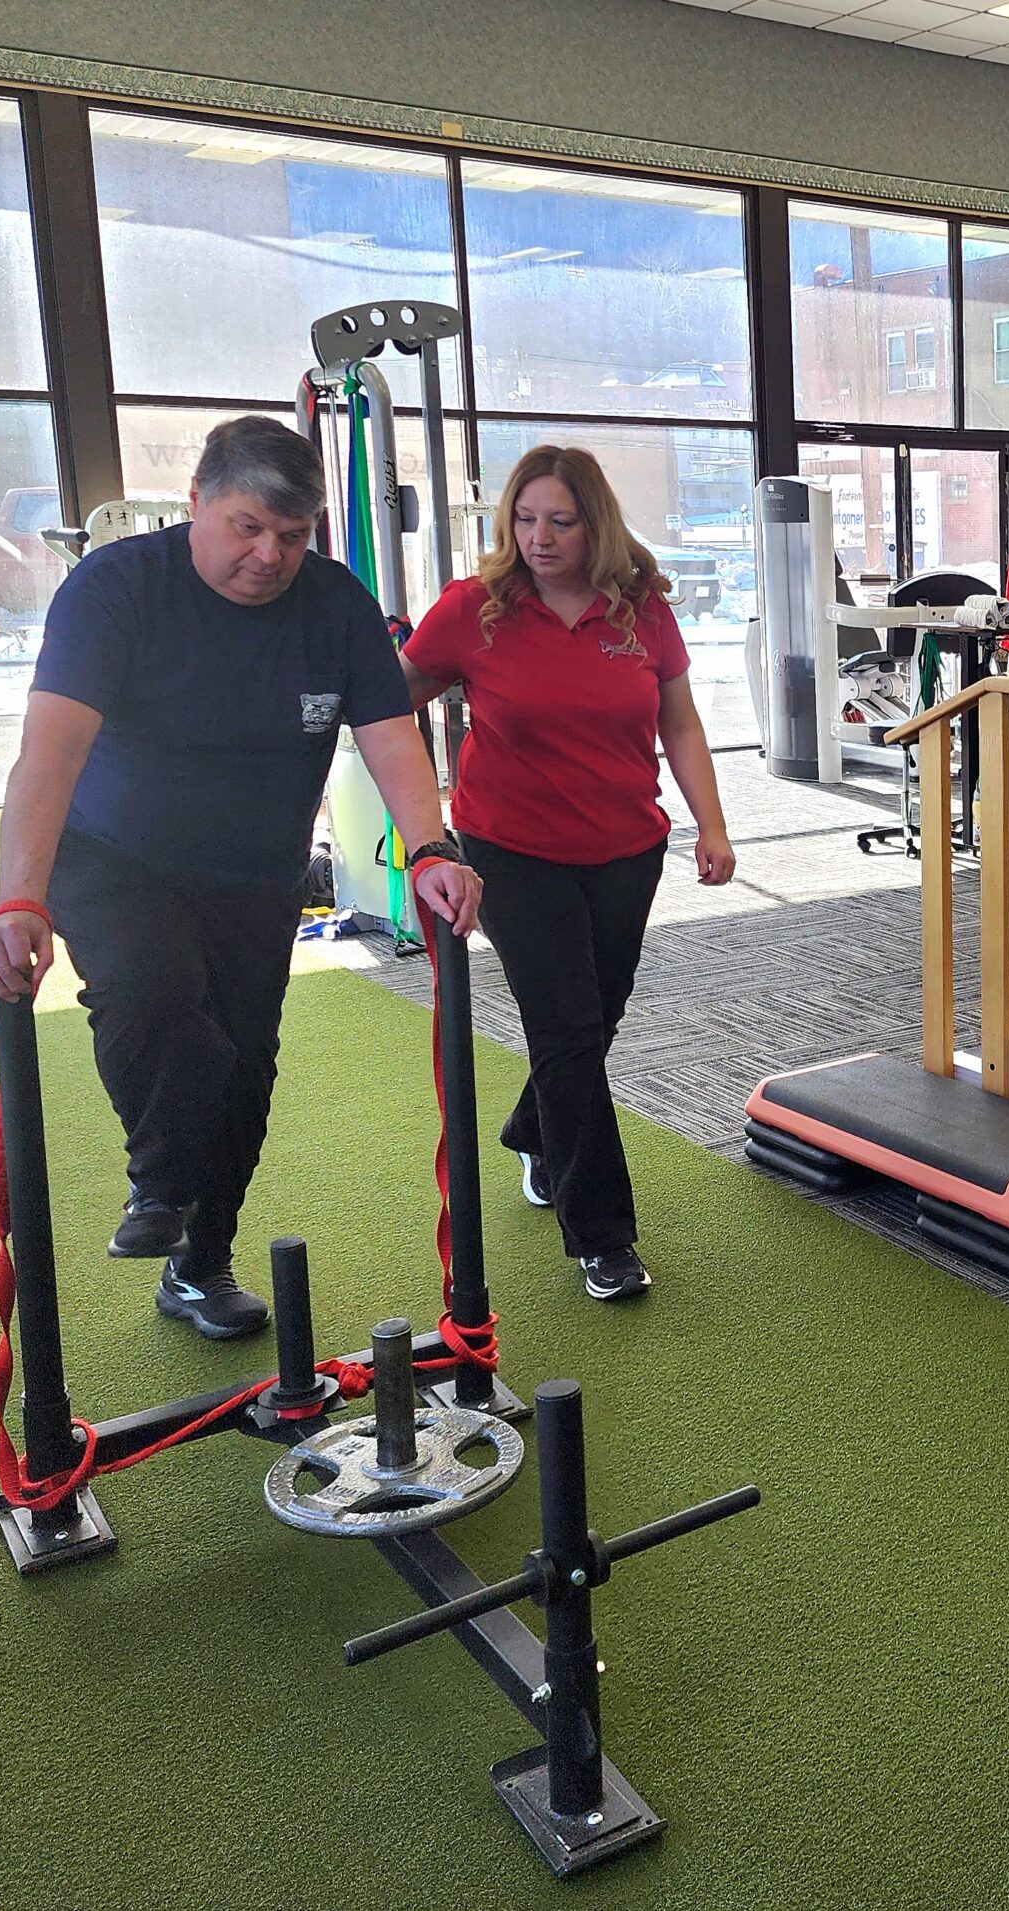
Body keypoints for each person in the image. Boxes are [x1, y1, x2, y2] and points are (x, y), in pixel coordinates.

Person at [0, 416, 481, 1340]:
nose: (269, 555)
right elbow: (48, 756)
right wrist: (18, 898)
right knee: (155, 987)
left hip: (254, 873)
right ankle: (160, 1180)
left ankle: (200, 1265)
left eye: (292, 535)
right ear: (197, 502)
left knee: (244, 1068)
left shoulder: (335, 603)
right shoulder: (116, 589)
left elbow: (391, 737)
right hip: (113, 854)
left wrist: (432, 847)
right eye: (247, 527)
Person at [400, 446, 735, 1303]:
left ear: (596, 523)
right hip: (511, 851)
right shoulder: (476, 611)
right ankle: (602, 1234)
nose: (538, 538)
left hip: (626, 848)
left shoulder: (643, 610)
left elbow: (682, 725)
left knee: (593, 1017)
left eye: (560, 520)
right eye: (524, 518)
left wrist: (713, 825)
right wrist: (424, 825)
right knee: (568, 1030)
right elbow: (387, 702)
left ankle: (532, 1129)